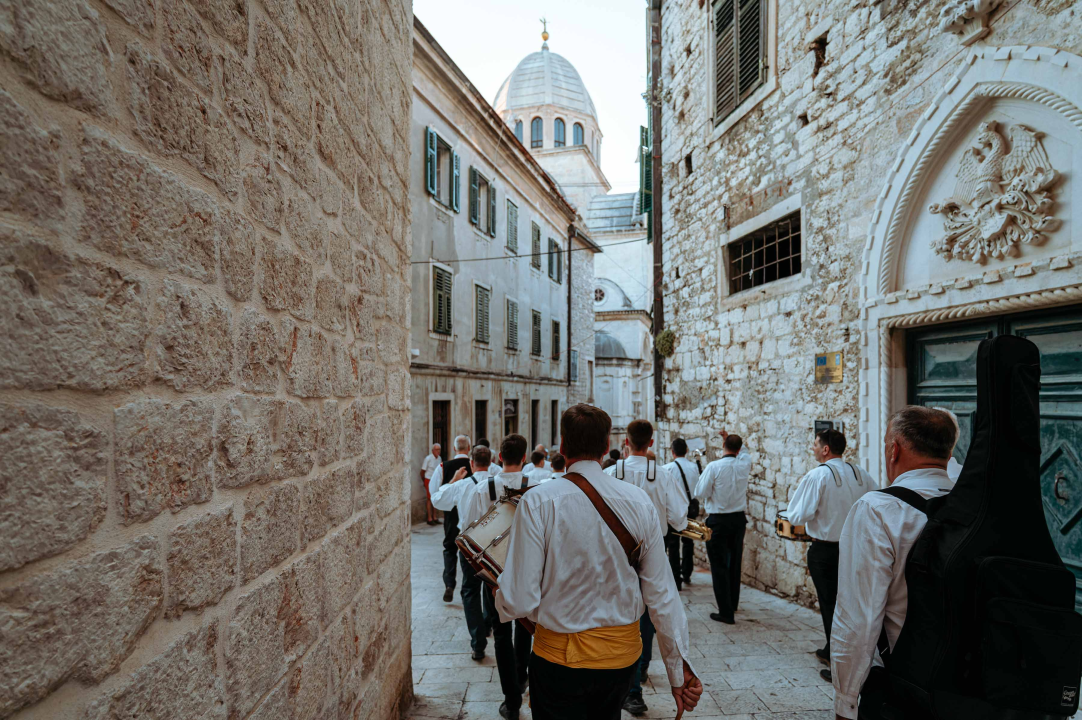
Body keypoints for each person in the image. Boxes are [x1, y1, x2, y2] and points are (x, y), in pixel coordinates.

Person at [495, 404, 703, 720]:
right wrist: (678, 671)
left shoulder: (538, 501)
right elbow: (662, 594)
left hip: (558, 662)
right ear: (607, 446)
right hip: (620, 662)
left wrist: (499, 596)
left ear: (563, 446)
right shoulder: (639, 502)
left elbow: (520, 599)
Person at [830, 406, 957, 720]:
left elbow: (858, 619)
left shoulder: (878, 509)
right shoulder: (973, 507)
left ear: (893, 449)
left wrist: (846, 701)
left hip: (904, 687)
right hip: (967, 686)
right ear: (948, 450)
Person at [604, 419, 689, 716]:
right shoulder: (663, 475)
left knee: (621, 611)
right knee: (652, 612)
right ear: (651, 442)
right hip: (653, 549)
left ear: (626, 442)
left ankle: (629, 684)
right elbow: (679, 518)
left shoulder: (610, 473)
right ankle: (640, 671)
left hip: (616, 553)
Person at [779, 429, 874, 682]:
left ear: (825, 449)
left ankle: (838, 664)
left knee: (831, 605)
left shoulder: (818, 475)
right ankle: (833, 648)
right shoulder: (860, 473)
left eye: (815, 444)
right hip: (854, 548)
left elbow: (797, 515)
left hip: (825, 550)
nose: (812, 448)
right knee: (850, 603)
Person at [456, 434, 538, 720]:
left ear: (499, 457)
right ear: (524, 457)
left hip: (494, 574)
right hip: (526, 570)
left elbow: (468, 532)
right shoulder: (537, 488)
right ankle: (521, 675)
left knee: (501, 633)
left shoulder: (482, 489)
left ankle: (511, 700)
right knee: (525, 627)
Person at [431, 444, 492, 659]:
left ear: (472, 463)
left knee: (470, 591)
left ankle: (478, 642)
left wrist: (453, 480)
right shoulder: (499, 483)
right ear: (491, 462)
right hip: (492, 546)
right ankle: (488, 624)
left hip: (470, 545)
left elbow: (437, 500)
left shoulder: (462, 485)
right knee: (491, 587)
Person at [693, 430, 751, 625]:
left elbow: (700, 492)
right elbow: (745, 452)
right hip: (738, 520)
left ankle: (725, 613)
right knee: (734, 563)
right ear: (738, 449)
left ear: (723, 446)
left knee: (719, 566)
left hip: (718, 520)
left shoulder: (714, 467)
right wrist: (730, 439)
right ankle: (732, 603)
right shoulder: (744, 464)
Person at [430, 435, 472, 602]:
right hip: (471, 514)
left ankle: (449, 583)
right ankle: (468, 586)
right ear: (469, 448)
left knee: (449, 548)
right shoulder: (475, 465)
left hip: (451, 514)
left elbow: (434, 492)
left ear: (454, 448)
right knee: (470, 550)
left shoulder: (443, 466)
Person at [664, 438, 701, 590]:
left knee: (673, 544)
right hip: (690, 509)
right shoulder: (695, 467)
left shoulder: (667, 469)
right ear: (686, 450)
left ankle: (676, 578)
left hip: (673, 510)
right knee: (688, 541)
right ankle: (687, 572)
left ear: (672, 452)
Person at [420, 444, 442, 525]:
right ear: (432, 450)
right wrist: (424, 481)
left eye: (439, 449)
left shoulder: (439, 458)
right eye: (436, 449)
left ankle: (434, 517)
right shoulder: (428, 458)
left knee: (435, 498)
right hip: (428, 479)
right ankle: (429, 518)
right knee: (429, 498)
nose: (438, 451)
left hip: (436, 480)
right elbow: (422, 471)